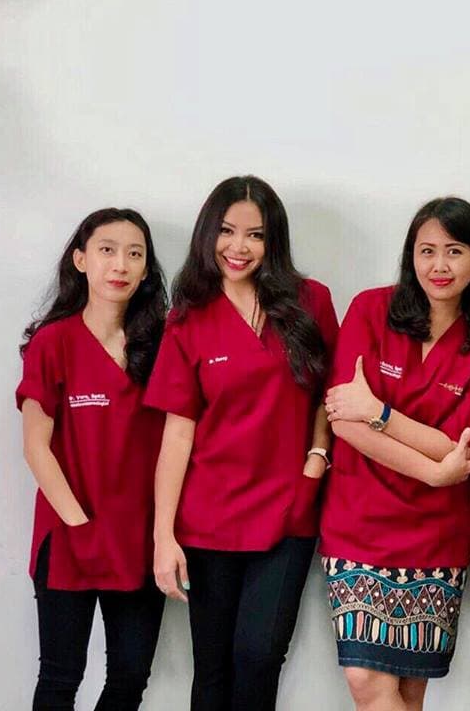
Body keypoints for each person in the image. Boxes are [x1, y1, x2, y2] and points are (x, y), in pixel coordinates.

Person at [144, 175, 338, 711]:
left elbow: (331, 395)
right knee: (212, 668)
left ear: (273, 240)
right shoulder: (187, 319)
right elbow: (177, 433)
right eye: (227, 232)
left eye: (255, 235)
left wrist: (316, 462)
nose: (239, 247)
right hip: (208, 519)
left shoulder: (310, 301)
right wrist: (163, 535)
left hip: (287, 512)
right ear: (208, 235)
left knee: (258, 654)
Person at [319, 196, 470, 711]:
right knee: (365, 679)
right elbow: (343, 421)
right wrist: (436, 471)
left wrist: (378, 411)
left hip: (434, 537)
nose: (439, 266)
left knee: (407, 688)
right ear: (410, 256)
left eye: (454, 251)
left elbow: (461, 445)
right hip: (358, 524)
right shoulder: (371, 309)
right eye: (426, 251)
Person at [17, 208, 168, 710]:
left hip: (141, 539)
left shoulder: (162, 344)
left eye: (134, 253)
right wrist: (79, 523)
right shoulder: (52, 342)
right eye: (107, 250)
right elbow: (36, 446)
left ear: (146, 269)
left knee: (130, 679)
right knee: (61, 679)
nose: (120, 264)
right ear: (81, 259)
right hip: (70, 535)